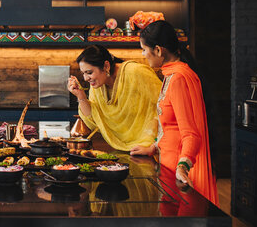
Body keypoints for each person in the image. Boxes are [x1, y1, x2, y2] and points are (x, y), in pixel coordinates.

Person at [139, 20, 219, 206]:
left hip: (177, 169)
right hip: (167, 165)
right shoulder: (171, 75)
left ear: (158, 50)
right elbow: (171, 126)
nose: (143, 55)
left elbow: (191, 133)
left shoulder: (179, 79)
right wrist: (154, 147)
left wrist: (182, 167)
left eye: (144, 49)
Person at [67, 45, 162, 153]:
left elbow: (166, 105)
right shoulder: (98, 85)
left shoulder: (136, 72)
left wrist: (153, 147)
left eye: (89, 73)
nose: (85, 78)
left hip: (153, 148)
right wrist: (81, 96)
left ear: (106, 66)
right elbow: (94, 120)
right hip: (123, 149)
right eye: (83, 73)